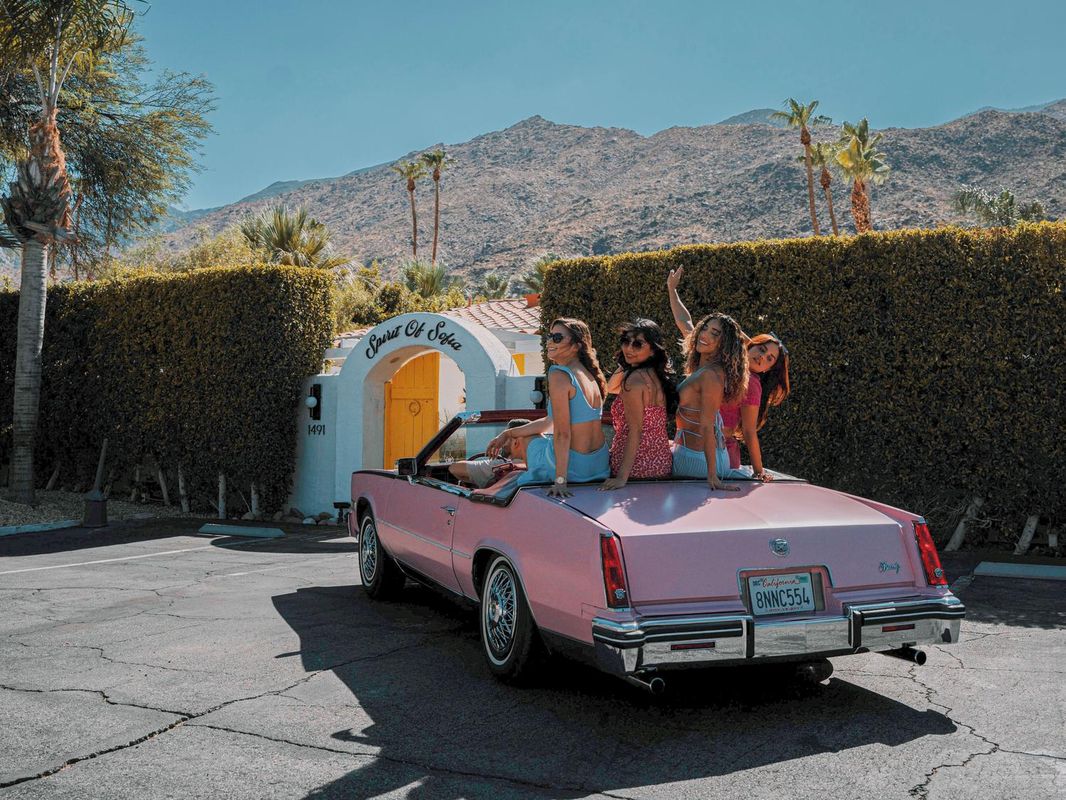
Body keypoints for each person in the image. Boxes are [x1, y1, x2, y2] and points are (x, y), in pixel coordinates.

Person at [667, 266, 791, 481]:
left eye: (769, 359)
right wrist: (672, 290)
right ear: (748, 346)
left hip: (719, 453)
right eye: (761, 350)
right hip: (696, 448)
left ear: (769, 369)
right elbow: (685, 323)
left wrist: (759, 471)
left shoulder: (749, 382)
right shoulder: (713, 357)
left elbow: (749, 432)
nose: (762, 357)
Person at [487, 318, 609, 497]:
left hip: (574, 468)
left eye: (557, 337)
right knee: (531, 436)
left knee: (530, 439)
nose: (549, 342)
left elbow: (562, 433)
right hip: (599, 465)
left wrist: (560, 481)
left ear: (576, 346)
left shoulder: (559, 374)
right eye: (549, 337)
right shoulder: (591, 377)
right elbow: (550, 422)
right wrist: (509, 433)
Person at [671, 311, 748, 491]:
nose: (704, 335)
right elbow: (684, 321)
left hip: (697, 462)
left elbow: (707, 426)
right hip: (696, 457)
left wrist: (712, 476)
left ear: (724, 344)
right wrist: (672, 294)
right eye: (704, 328)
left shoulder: (710, 375)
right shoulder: (705, 369)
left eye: (715, 333)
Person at [599, 319, 677, 490]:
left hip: (634, 468)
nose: (629, 348)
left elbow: (636, 431)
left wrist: (621, 478)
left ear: (653, 350)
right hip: (661, 464)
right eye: (625, 342)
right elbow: (611, 388)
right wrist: (627, 363)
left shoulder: (633, 382)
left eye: (637, 344)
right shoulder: (656, 376)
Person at [449, 418, 531, 488]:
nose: (502, 443)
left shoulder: (499, 467)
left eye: (506, 438)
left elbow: (454, 468)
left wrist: (475, 480)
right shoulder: (536, 467)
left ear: (516, 443)